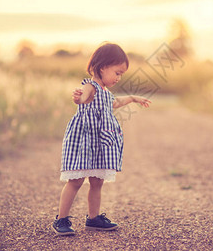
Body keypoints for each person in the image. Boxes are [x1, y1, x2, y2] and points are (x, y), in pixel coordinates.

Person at [53, 43, 151, 236]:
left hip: (99, 145)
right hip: (84, 142)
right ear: (103, 66)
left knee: (97, 181)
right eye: (117, 72)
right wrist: (78, 98)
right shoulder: (90, 87)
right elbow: (83, 97)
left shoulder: (106, 92)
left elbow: (116, 103)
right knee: (76, 180)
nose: (118, 77)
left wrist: (132, 98)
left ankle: (93, 218)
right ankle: (61, 219)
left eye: (121, 74)